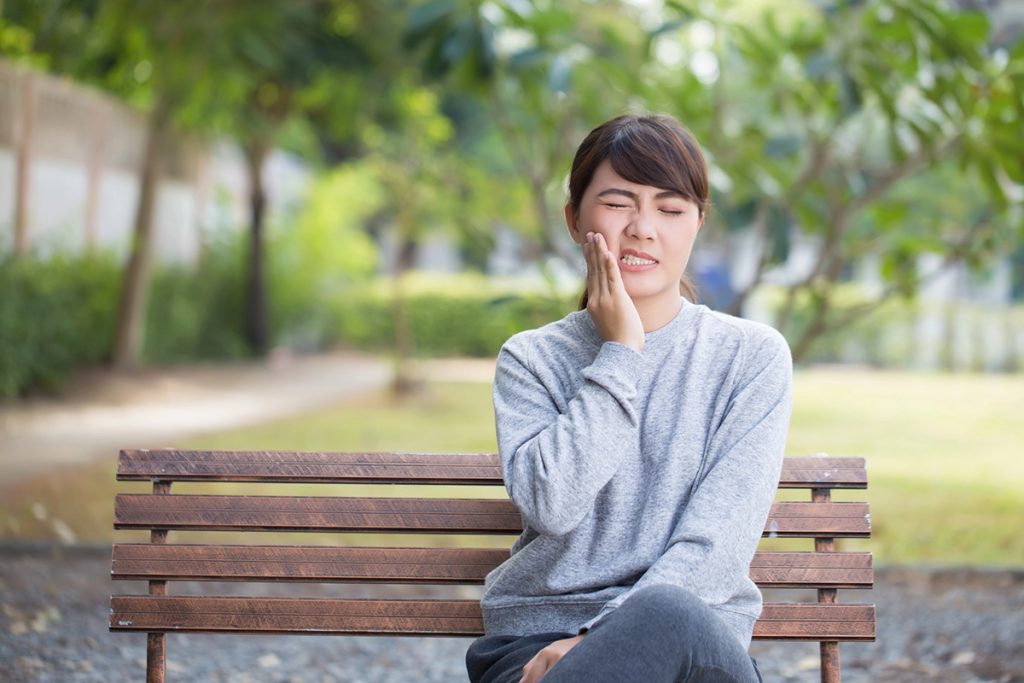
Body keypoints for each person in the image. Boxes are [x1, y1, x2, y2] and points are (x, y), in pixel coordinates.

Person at [464, 113, 793, 683]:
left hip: (696, 650)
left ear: (696, 225)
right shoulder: (531, 360)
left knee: (666, 612)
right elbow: (553, 505)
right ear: (574, 219)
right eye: (618, 203)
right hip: (536, 647)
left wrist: (600, 639)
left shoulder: (751, 357)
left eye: (670, 209)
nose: (644, 228)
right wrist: (620, 353)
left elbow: (714, 549)